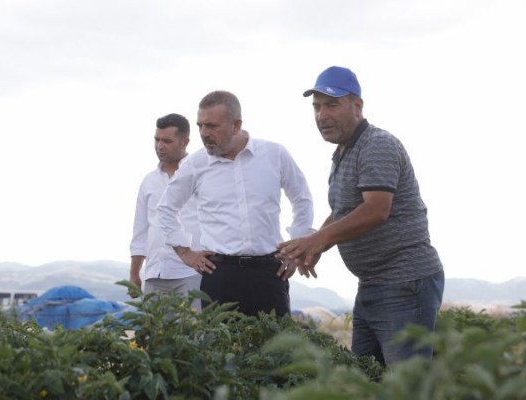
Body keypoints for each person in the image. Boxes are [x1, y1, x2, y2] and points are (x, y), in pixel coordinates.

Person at [277, 66, 444, 367]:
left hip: (404, 283)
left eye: (332, 104)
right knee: (366, 380)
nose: (321, 115)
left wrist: (320, 238)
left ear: (357, 106)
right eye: (316, 107)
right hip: (373, 284)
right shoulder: (344, 152)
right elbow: (343, 210)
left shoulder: (377, 144)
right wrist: (314, 245)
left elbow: (377, 209)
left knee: (406, 386)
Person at [156, 90, 314, 317]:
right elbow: (166, 209)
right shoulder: (196, 163)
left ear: (236, 125)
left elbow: (302, 199)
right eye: (200, 125)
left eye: (212, 126)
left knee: (276, 347)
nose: (203, 133)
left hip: (270, 273)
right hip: (220, 275)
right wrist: (185, 252)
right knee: (219, 350)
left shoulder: (274, 154)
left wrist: (297, 249)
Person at [129, 113, 202, 311]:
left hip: (191, 273)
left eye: (167, 141)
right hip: (154, 273)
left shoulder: (200, 174)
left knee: (195, 335)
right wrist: (134, 274)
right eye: (157, 140)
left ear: (184, 141)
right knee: (157, 337)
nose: (160, 146)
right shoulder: (149, 181)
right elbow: (141, 229)